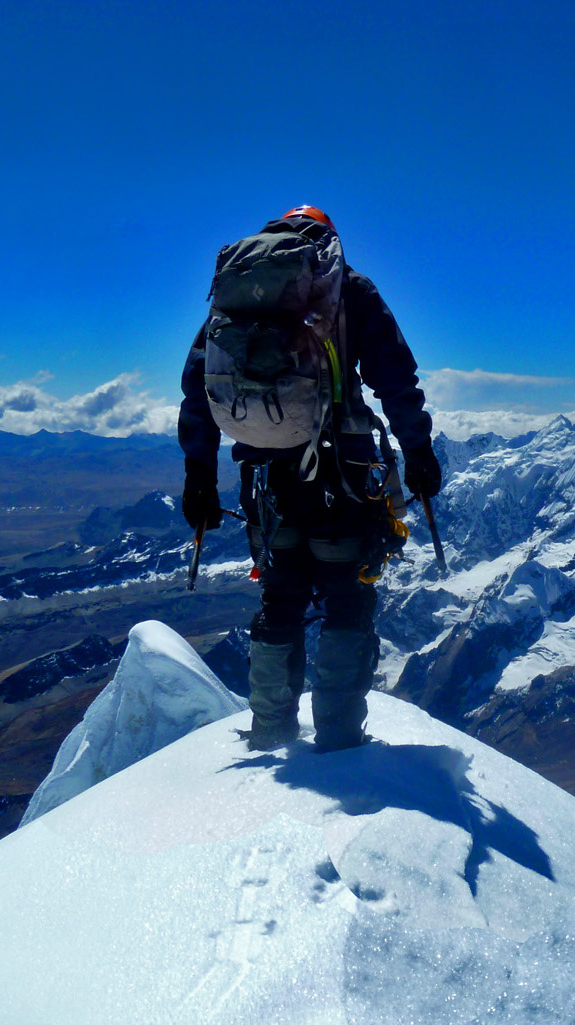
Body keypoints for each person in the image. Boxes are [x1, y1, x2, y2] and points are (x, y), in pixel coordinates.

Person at [177, 205, 442, 752]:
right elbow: (395, 378)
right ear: (329, 242)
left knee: (281, 600)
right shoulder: (348, 289)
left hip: (266, 480)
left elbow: (198, 390)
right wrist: (418, 452)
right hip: (341, 474)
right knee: (347, 599)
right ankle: (340, 740)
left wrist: (199, 478)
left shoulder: (238, 295)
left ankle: (270, 729)